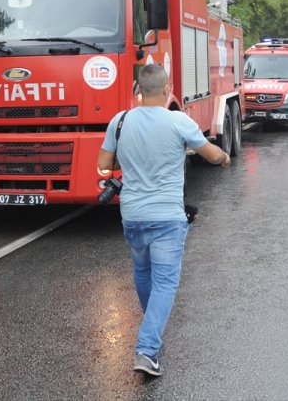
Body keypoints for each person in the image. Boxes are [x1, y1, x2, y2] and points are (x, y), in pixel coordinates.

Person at [97, 64, 231, 378]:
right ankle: (146, 350)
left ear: (137, 90)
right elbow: (210, 154)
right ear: (167, 88)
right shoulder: (178, 121)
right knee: (166, 283)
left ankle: (152, 335)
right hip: (167, 218)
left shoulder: (120, 121)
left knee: (143, 274)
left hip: (132, 215)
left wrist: (131, 155)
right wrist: (224, 157)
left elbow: (104, 165)